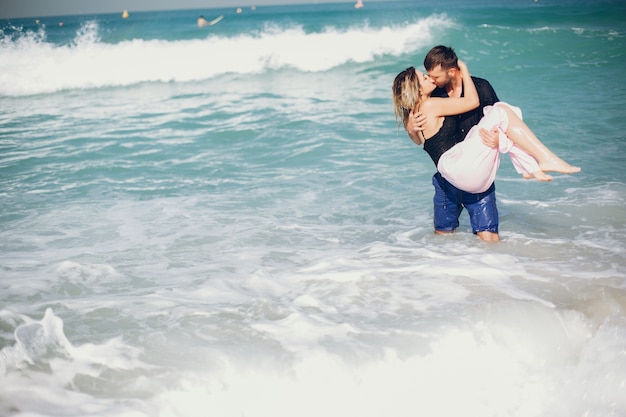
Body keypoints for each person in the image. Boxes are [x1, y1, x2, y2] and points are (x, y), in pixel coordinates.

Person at [393, 47, 580, 241]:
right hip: (456, 171)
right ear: (417, 89)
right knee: (502, 111)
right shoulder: (431, 103)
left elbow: (421, 140)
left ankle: (533, 166)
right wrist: (464, 68)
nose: (431, 79)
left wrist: (502, 141)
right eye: (425, 77)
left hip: (466, 165)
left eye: (433, 76)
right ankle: (541, 160)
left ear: (450, 71)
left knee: (501, 112)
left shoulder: (425, 107)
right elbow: (472, 102)